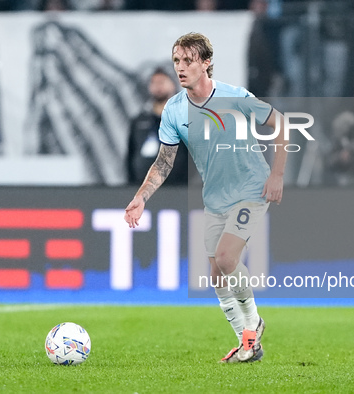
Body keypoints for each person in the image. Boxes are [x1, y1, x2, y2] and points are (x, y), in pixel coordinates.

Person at [124, 32, 287, 363]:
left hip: (251, 189)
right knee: (215, 275)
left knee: (227, 260)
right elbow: (165, 161)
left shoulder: (234, 97)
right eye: (176, 62)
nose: (180, 68)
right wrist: (141, 197)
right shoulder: (173, 110)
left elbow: (280, 123)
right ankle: (247, 343)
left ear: (206, 63)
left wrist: (277, 175)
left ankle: (253, 326)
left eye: (188, 61)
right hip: (215, 198)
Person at [127, 68, 188, 185]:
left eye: (162, 82)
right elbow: (131, 154)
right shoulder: (139, 120)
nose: (157, 86)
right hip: (143, 186)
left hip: (176, 187)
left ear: (173, 84)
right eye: (153, 82)